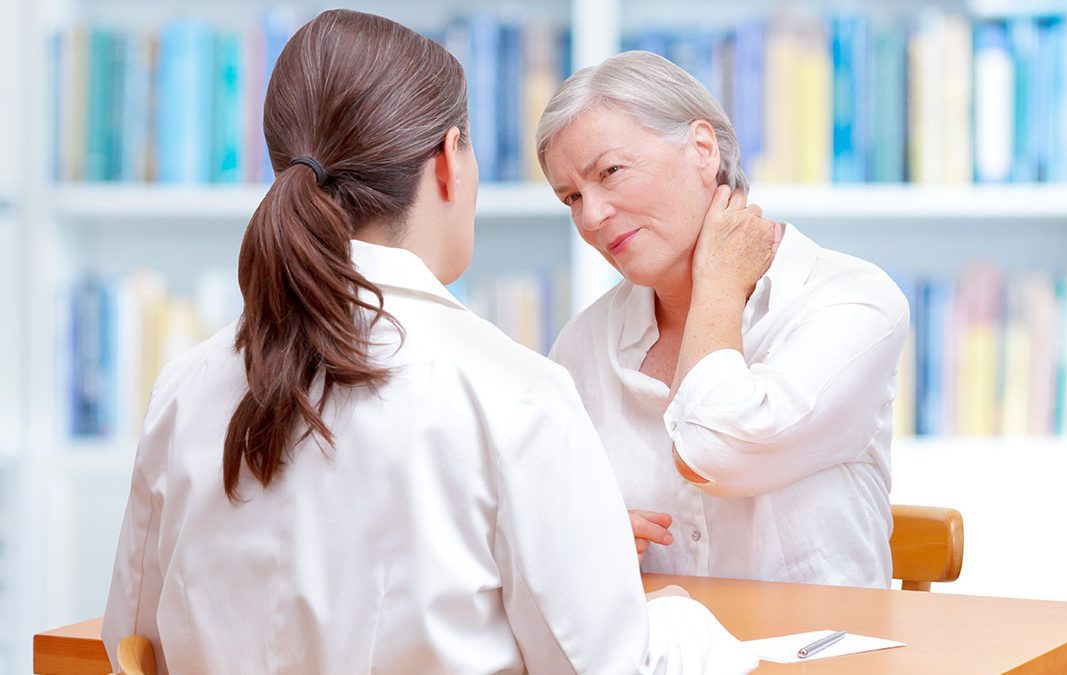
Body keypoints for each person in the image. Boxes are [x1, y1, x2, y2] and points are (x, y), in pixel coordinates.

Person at [102, 13, 758, 674]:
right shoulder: (514, 393)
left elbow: (130, 646)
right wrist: (677, 618)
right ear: (449, 160)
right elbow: (606, 666)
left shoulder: (186, 386)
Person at [537, 51, 908, 588]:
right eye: (571, 197)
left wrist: (716, 285)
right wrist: (583, 537)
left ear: (702, 149)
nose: (590, 217)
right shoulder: (582, 345)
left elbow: (713, 453)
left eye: (611, 172)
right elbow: (540, 520)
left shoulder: (851, 300)